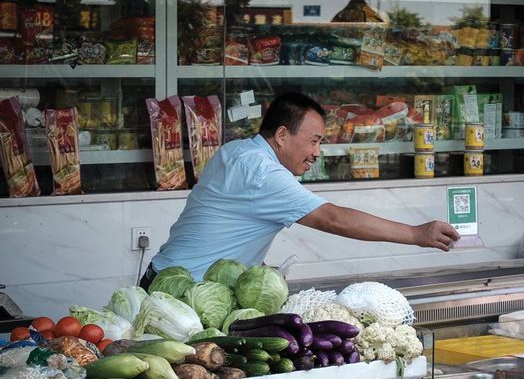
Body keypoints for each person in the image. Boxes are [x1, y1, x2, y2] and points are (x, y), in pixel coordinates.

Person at [142, 92, 460, 287]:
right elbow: (333, 218)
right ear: (282, 135)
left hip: (168, 280)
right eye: (314, 141)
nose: (317, 152)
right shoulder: (262, 172)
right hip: (181, 294)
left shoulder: (235, 152)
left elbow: (230, 223)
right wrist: (417, 234)